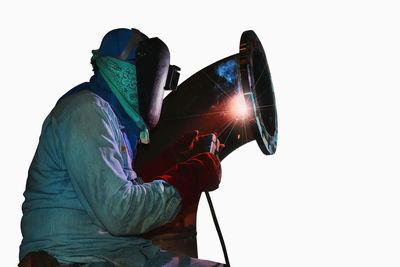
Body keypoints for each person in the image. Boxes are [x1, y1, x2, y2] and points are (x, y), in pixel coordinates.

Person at [19, 28, 224, 267]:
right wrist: (186, 179)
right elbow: (119, 212)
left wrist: (173, 160)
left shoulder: (111, 119)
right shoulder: (86, 111)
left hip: (110, 253)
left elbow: (119, 188)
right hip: (72, 257)